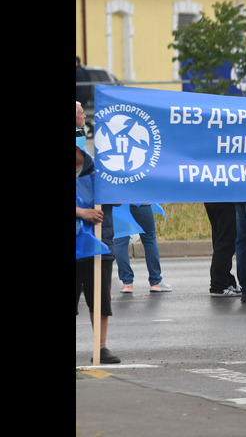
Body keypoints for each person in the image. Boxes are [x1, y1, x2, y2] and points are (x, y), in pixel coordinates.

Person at [76, 102, 119, 363]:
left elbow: (114, 200)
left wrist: (114, 188)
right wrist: (82, 213)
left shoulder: (98, 167)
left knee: (100, 298)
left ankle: (100, 348)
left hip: (99, 241)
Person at [113, 204, 171, 293]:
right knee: (149, 240)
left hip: (120, 205)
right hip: (141, 203)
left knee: (120, 242)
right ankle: (155, 281)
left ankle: (127, 283)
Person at [205, 202, 240, 297]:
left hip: (211, 198)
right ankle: (219, 285)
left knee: (219, 239)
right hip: (225, 199)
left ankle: (225, 281)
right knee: (226, 241)